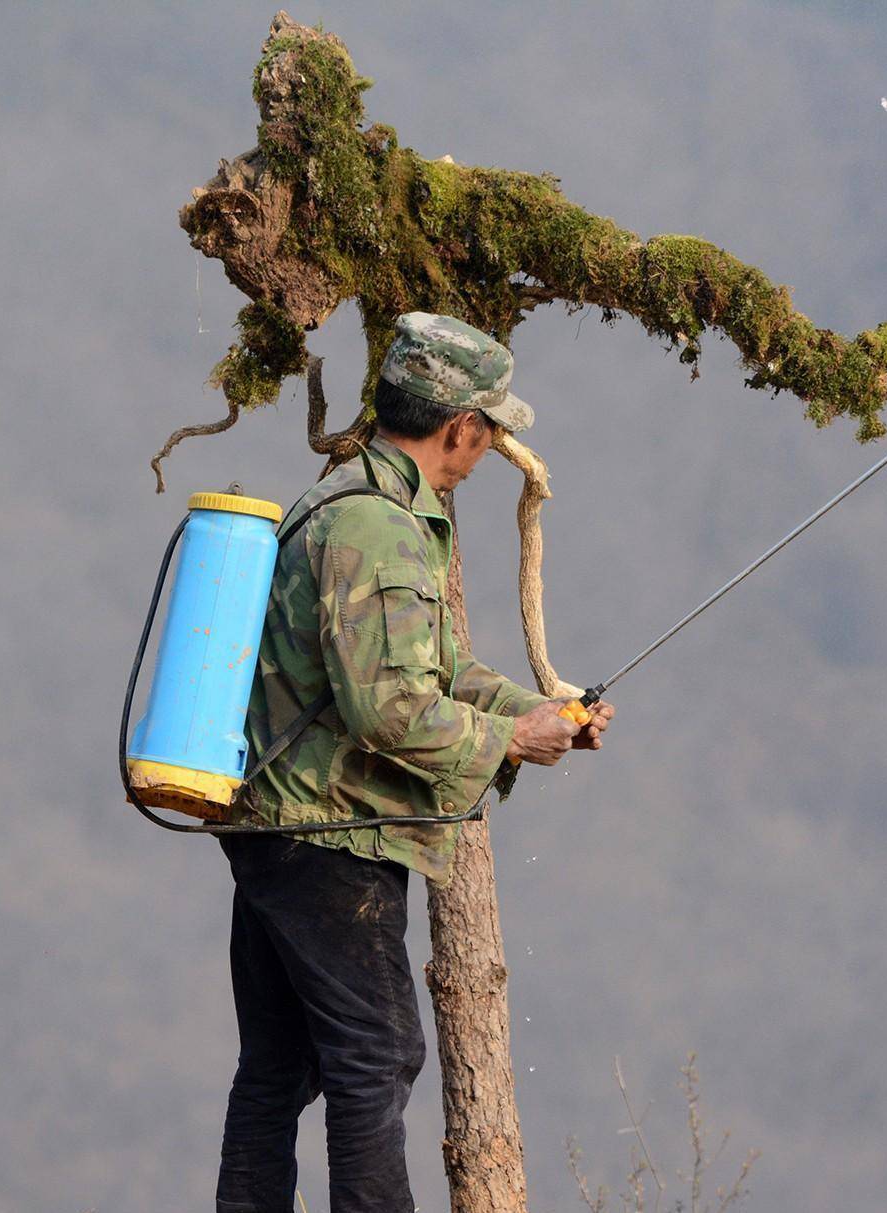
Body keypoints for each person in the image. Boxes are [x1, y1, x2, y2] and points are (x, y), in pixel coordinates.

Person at [215, 311, 616, 1213]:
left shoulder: (350, 500)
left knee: (278, 1066)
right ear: (460, 427)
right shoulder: (381, 527)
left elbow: (436, 670)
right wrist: (513, 741)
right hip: (327, 833)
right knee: (376, 1055)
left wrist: (539, 712)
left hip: (278, 824)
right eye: (491, 430)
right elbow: (388, 706)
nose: (488, 449)